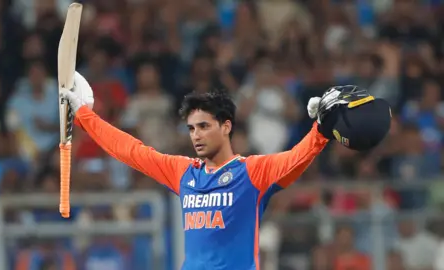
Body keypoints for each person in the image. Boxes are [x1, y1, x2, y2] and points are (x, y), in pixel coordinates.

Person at [59, 72, 384, 270]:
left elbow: (295, 158)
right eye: (191, 128)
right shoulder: (183, 172)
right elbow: (129, 151)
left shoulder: (252, 172)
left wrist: (320, 131)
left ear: (226, 127)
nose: (196, 135)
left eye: (204, 126)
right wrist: (86, 115)